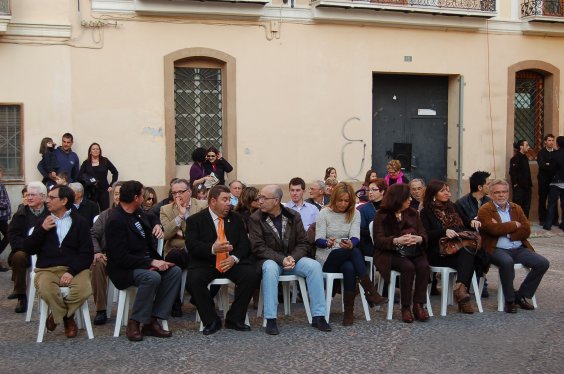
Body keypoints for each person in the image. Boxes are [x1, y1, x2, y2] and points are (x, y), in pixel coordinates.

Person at [248, 184, 331, 335]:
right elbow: (258, 247)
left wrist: (292, 258)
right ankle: (271, 319)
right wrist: (282, 259)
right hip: (270, 260)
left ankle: (319, 316)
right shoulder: (255, 218)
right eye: (259, 197)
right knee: (270, 268)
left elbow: (303, 243)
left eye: (263, 198)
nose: (259, 201)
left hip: (294, 259)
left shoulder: (293, 216)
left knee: (314, 266)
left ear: (276, 200)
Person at [106, 180, 182, 341]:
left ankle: (153, 320)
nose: (143, 197)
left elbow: (151, 216)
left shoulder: (137, 212)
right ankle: (135, 322)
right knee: (152, 277)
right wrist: (150, 263)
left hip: (145, 263)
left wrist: (156, 225)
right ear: (136, 198)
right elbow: (121, 257)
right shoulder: (116, 220)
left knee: (174, 272)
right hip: (125, 269)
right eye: (142, 195)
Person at [185, 185, 257, 335]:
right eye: (224, 200)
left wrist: (234, 258)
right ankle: (211, 320)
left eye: (229, 199)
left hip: (230, 262)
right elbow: (192, 246)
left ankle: (235, 318)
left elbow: (244, 244)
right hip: (207, 263)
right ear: (212, 201)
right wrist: (212, 249)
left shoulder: (235, 218)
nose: (229, 203)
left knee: (251, 274)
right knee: (194, 279)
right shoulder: (195, 220)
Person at [24, 185, 94, 338]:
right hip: (47, 270)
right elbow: (28, 249)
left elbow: (87, 253)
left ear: (64, 200)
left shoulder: (80, 222)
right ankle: (67, 318)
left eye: (51, 197)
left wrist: (71, 271)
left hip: (74, 269)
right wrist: (42, 230)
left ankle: (56, 315)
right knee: (45, 288)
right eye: (47, 197)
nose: (47, 200)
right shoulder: (42, 220)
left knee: (84, 289)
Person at [315, 182, 387, 326]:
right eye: (340, 200)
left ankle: (348, 312)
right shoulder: (324, 213)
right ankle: (371, 291)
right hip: (327, 257)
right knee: (354, 252)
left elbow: (355, 237)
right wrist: (328, 242)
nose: (343, 204)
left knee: (350, 267)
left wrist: (351, 243)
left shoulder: (355, 213)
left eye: (346, 201)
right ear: (334, 198)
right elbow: (318, 239)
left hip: (346, 253)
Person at [477, 179, 550, 313]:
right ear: (491, 194)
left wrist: (508, 233)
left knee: (542, 263)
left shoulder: (516, 208)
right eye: (497, 192)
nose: (501, 195)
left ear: (508, 193)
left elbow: (526, 230)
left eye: (504, 192)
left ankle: (521, 296)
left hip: (518, 248)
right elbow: (492, 230)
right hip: (496, 249)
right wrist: (513, 225)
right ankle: (509, 301)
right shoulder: (485, 209)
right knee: (506, 262)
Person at [420, 180, 480, 314]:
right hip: (438, 252)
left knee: (467, 253)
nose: (447, 193)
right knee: (469, 255)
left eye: (448, 190)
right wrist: (443, 232)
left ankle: (460, 289)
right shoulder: (426, 212)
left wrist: (473, 221)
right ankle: (462, 292)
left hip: (457, 249)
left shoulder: (453, 207)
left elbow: (466, 222)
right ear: (434, 194)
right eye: (443, 191)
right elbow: (425, 234)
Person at [373, 183, 429, 323]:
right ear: (398, 198)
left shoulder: (413, 213)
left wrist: (419, 238)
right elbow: (379, 241)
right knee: (407, 267)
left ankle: (418, 305)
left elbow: (423, 233)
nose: (410, 200)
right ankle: (405, 307)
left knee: (423, 265)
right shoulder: (382, 215)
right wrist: (398, 240)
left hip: (413, 250)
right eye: (407, 197)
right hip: (390, 253)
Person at [160, 179, 207, 316]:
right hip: (178, 251)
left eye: (180, 192)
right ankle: (174, 302)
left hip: (199, 250)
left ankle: (198, 297)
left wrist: (183, 234)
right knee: (173, 257)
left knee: (213, 260)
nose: (177, 196)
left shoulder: (203, 206)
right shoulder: (166, 209)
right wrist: (180, 216)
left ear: (190, 192)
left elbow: (205, 232)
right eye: (174, 192)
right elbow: (167, 234)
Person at [7, 182, 50, 313]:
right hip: (26, 250)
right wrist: (26, 246)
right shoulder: (20, 214)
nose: (29, 198)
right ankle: (21, 296)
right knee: (18, 257)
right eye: (28, 195)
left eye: (33, 195)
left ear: (43, 197)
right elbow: (13, 235)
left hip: (46, 250)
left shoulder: (51, 212)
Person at [89, 181, 122, 325]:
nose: (118, 197)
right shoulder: (105, 215)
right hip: (107, 255)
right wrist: (96, 252)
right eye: (115, 194)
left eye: (121, 194)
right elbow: (93, 235)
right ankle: (101, 309)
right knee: (97, 263)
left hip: (128, 257)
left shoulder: (136, 214)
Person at [455, 170, 492, 297]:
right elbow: (460, 225)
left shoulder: (490, 202)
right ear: (480, 187)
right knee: (475, 250)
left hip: (486, 238)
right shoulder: (461, 203)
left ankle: (481, 280)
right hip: (470, 240)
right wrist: (472, 222)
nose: (490, 186)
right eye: (488, 183)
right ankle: (475, 282)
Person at [78, 142, 119, 211]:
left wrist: (111, 185)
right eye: (93, 149)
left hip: (103, 191)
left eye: (97, 149)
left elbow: (115, 172)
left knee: (105, 211)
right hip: (91, 192)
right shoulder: (86, 163)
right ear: (90, 152)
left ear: (100, 151)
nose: (96, 150)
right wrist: (87, 182)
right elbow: (79, 177)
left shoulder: (105, 161)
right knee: (91, 211)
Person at [357, 178, 387, 257]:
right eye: (369, 190)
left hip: (388, 242)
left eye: (374, 190)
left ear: (382, 191)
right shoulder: (364, 208)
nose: (370, 192)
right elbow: (361, 230)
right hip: (369, 243)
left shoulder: (389, 207)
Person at [544, 136, 564, 231]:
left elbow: (551, 168)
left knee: (551, 204)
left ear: (557, 144)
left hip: (556, 182)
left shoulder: (555, 154)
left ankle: (548, 225)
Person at [537, 134, 557, 225]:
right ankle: (543, 219)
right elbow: (542, 165)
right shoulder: (541, 152)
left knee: (553, 200)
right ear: (545, 142)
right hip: (543, 180)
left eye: (552, 140)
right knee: (542, 199)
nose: (551, 142)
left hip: (554, 180)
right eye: (549, 140)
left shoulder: (556, 152)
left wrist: (549, 164)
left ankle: (554, 220)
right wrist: (549, 165)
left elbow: (558, 165)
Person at [509, 139, 532, 218]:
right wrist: (515, 184)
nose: (528, 147)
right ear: (521, 147)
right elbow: (512, 172)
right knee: (517, 206)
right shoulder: (515, 159)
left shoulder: (525, 157)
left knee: (527, 205)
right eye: (526, 145)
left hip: (527, 186)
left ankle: (525, 221)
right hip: (519, 187)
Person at [0, 167, 11, 271]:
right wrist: (3, 205)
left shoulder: (1, 185)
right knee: (9, 234)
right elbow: (3, 202)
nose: (1, 175)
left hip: (2, 216)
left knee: (9, 235)